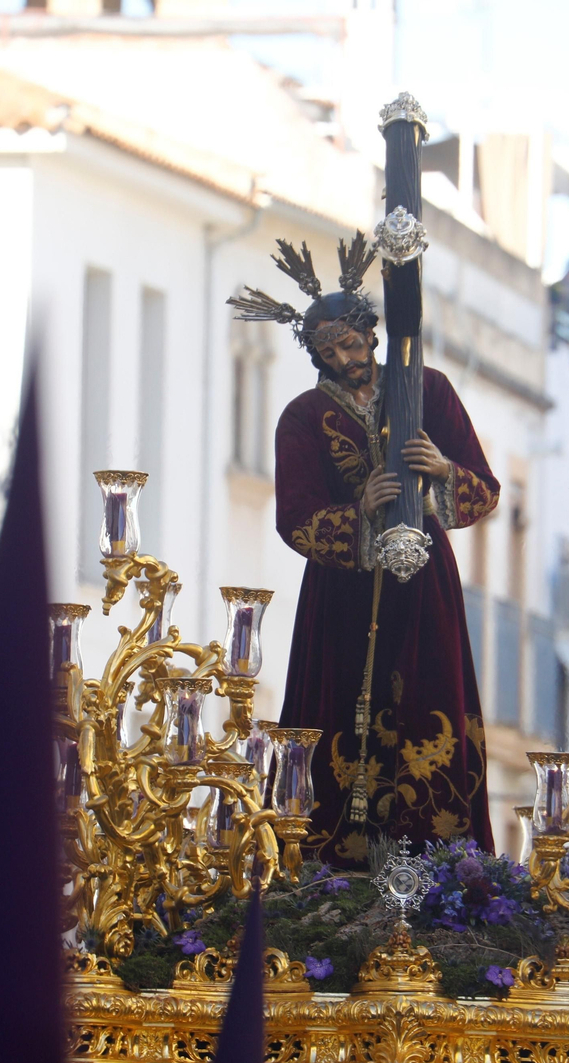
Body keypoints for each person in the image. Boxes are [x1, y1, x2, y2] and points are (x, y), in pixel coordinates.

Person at [229, 237, 499, 868]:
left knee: (429, 714)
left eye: (349, 345)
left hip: (426, 593)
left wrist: (438, 472)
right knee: (339, 726)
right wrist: (359, 516)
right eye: (327, 352)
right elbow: (294, 519)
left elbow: (483, 491)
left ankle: (443, 875)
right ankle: (332, 875)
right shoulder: (302, 417)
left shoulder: (428, 390)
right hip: (343, 603)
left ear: (371, 336)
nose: (343, 359)